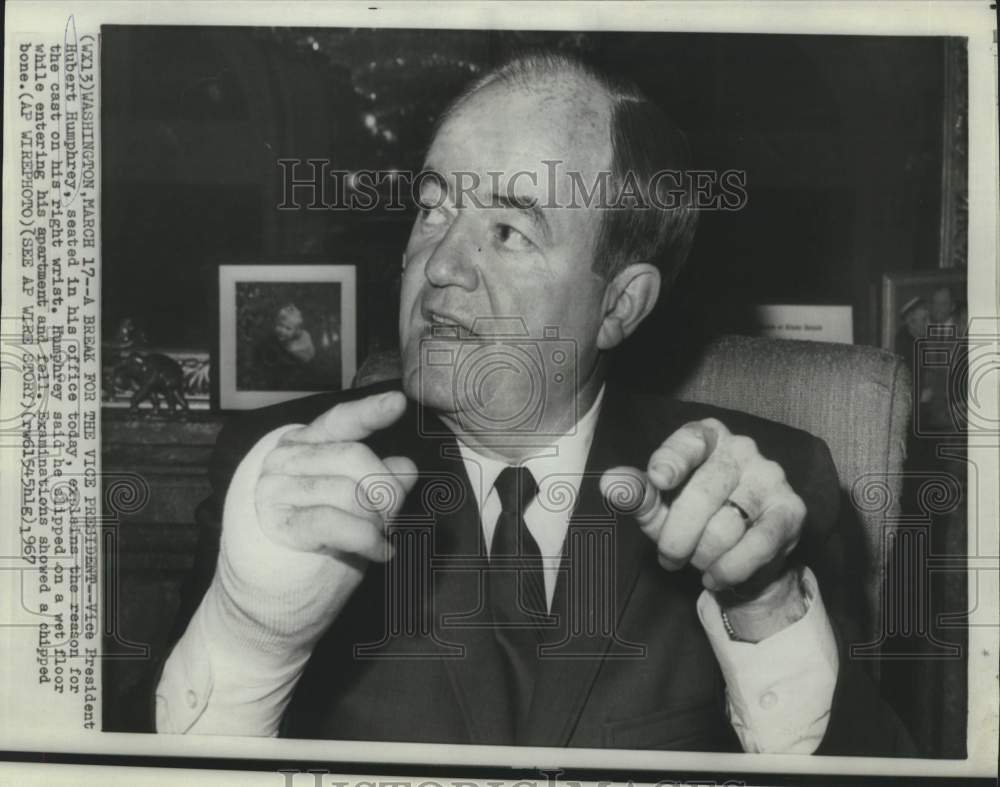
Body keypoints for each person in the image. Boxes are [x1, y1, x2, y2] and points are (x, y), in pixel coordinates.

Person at [154, 52, 912, 755]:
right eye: (433, 206)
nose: (441, 264)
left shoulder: (756, 496)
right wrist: (250, 635)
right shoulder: (283, 475)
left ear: (618, 305)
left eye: (510, 230)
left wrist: (765, 606)